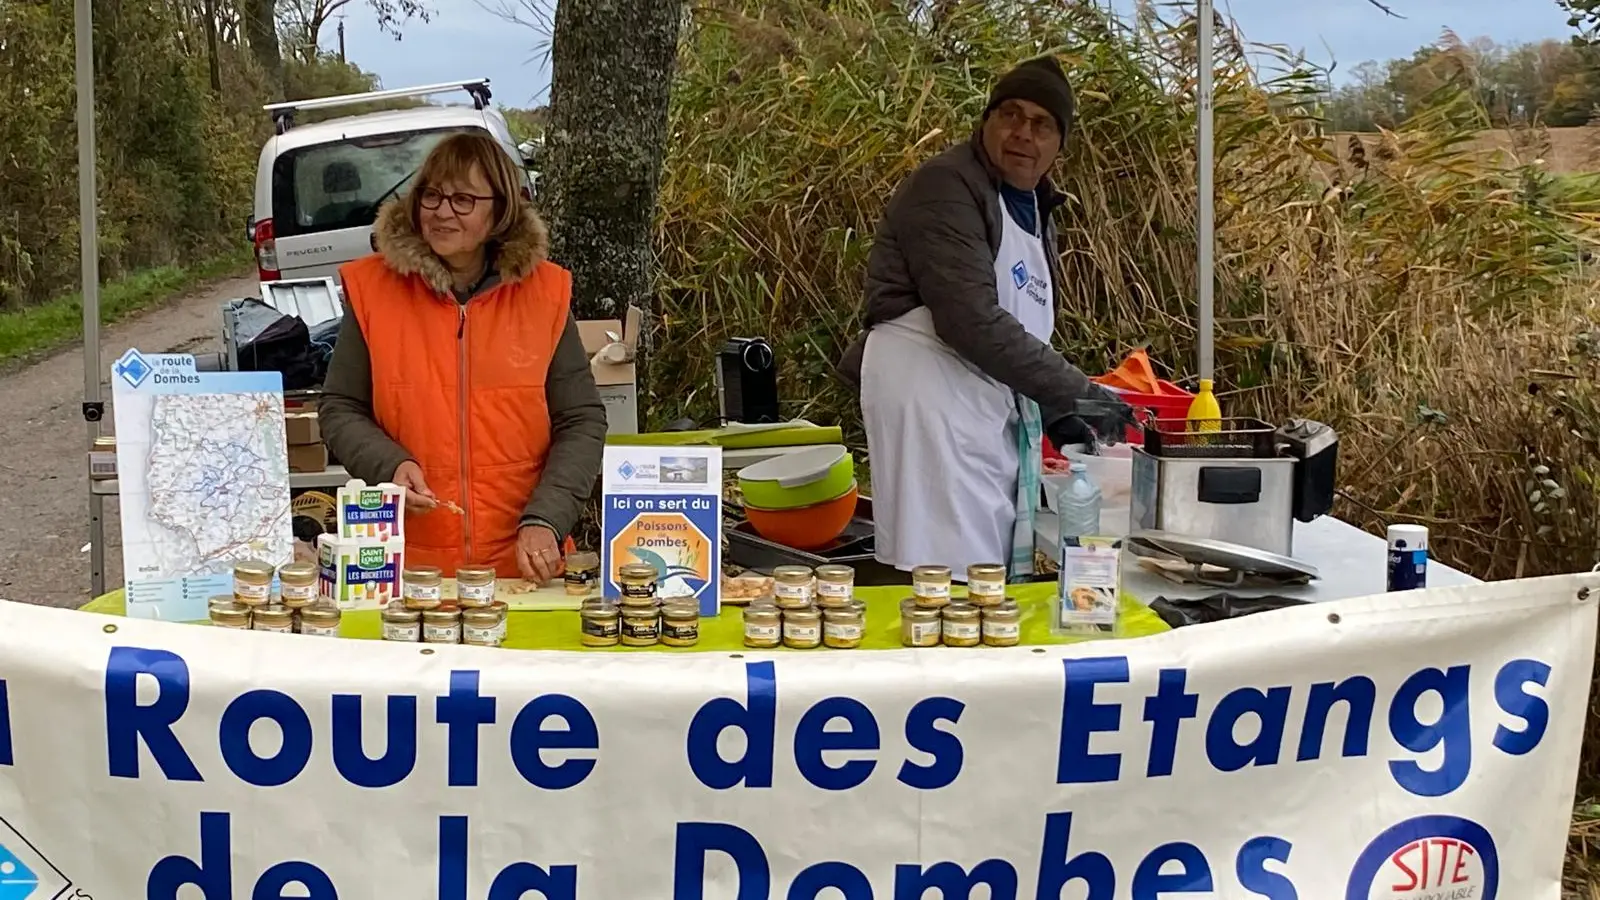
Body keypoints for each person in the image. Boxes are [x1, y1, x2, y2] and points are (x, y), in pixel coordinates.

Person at [836, 56, 1134, 582]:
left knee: (977, 561)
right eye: (1010, 115)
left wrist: (1056, 410)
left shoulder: (1032, 205)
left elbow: (1015, 322)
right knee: (941, 570)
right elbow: (969, 319)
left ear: (1059, 144)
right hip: (930, 389)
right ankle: (933, 655)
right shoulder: (946, 187)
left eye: (1041, 124)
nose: (1023, 133)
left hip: (980, 395)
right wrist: (1076, 393)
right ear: (986, 122)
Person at [320, 132, 608, 584]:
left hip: (524, 567)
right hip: (407, 570)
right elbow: (340, 407)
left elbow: (582, 419)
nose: (441, 212)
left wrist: (546, 519)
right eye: (431, 195)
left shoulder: (545, 293)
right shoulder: (372, 290)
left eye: (462, 199)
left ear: (499, 210)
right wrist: (388, 464)